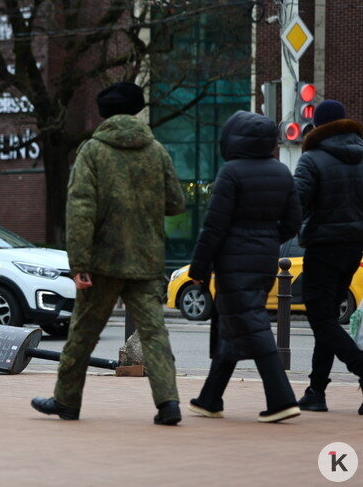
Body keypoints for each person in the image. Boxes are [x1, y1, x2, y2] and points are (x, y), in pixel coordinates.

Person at [31, 81, 186, 425]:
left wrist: (79, 263)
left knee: (83, 333)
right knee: (154, 335)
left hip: (102, 263)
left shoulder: (92, 151)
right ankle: (168, 403)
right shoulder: (156, 150)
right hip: (146, 261)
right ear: (137, 110)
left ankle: (66, 401)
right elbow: (176, 203)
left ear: (104, 114)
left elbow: (80, 209)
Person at [187, 111, 302, 423]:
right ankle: (210, 399)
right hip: (265, 259)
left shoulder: (231, 172)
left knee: (252, 323)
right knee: (235, 323)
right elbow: (293, 220)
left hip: (233, 261)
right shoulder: (282, 172)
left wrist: (198, 268)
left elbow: (214, 226)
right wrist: (268, 239)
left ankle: (281, 399)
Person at [293, 100, 363, 415]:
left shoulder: (312, 159)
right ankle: (316, 391)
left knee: (321, 319)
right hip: (354, 247)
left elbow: (296, 204)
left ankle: (359, 367)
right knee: (329, 320)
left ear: (318, 126)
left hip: (322, 247)